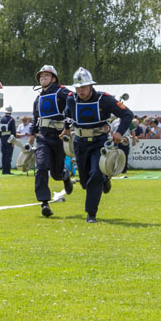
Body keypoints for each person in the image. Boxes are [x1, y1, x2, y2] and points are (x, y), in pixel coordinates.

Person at [63, 67, 132, 223]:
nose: (80, 90)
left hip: (99, 142)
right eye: (78, 87)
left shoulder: (104, 99)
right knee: (85, 181)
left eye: (84, 86)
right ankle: (105, 178)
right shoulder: (70, 99)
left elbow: (127, 114)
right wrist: (66, 129)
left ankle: (91, 214)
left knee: (95, 175)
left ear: (91, 85)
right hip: (80, 143)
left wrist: (119, 132)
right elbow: (67, 115)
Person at [29, 65, 74, 218]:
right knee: (41, 167)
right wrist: (32, 133)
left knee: (56, 173)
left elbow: (72, 103)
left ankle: (65, 175)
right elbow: (36, 118)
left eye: (46, 75)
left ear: (54, 78)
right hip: (43, 138)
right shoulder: (38, 98)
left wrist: (68, 126)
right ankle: (44, 203)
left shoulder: (62, 92)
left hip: (59, 137)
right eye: (41, 76)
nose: (43, 78)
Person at [0, 106, 17, 174]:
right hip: (9, 138)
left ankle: (3, 170)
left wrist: (1, 138)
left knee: (3, 155)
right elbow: (13, 131)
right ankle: (7, 171)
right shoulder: (12, 120)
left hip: (3, 138)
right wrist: (13, 142)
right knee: (8, 155)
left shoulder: (1, 119)